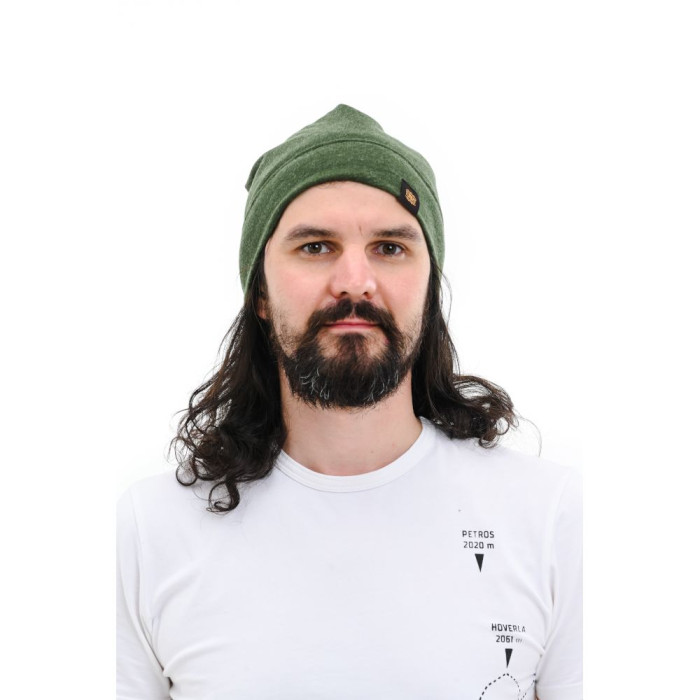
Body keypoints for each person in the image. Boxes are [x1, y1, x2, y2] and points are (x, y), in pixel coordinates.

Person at [117, 104, 582, 700]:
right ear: (261, 294)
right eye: (316, 247)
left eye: (390, 247)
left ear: (429, 286)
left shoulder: (552, 518)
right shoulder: (149, 532)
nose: (355, 281)